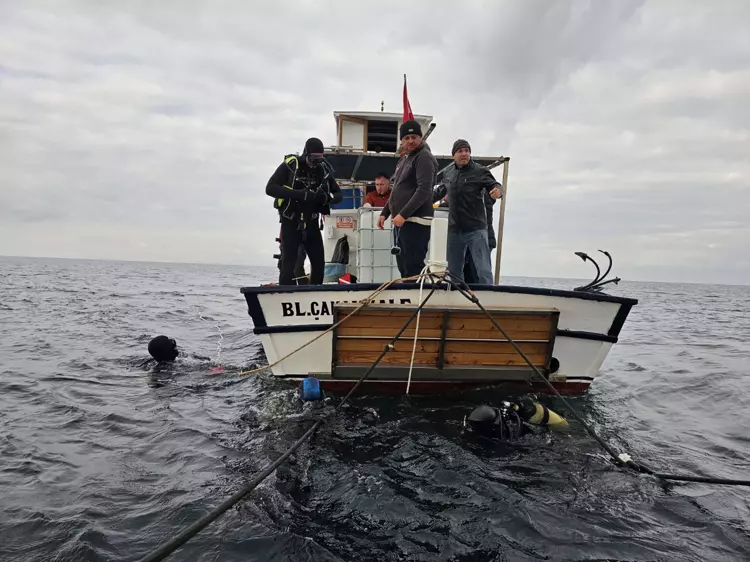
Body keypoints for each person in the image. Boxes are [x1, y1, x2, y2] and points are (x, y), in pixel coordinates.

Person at [266, 137, 342, 285]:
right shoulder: (291, 166)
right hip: (291, 222)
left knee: (319, 264)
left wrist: (327, 198)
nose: (315, 163)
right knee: (288, 264)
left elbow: (338, 194)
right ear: (305, 154)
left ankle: (315, 295)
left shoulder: (323, 169)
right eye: (313, 159)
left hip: (312, 223)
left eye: (319, 159)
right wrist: (299, 194)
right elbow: (270, 188)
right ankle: (283, 296)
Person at [432, 139, 502, 284]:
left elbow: (495, 184)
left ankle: (489, 299)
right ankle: (457, 302)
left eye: (467, 151)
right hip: (455, 230)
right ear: (453, 155)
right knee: (454, 272)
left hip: (476, 229)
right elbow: (438, 192)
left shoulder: (480, 171)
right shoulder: (448, 173)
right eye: (460, 151)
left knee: (483, 270)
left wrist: (498, 191)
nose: (464, 154)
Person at [377, 120, 438, 278]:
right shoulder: (404, 159)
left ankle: (417, 300)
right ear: (401, 141)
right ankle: (408, 298)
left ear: (421, 138)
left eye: (414, 136)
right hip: (403, 222)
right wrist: (385, 212)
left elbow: (424, 190)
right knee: (404, 267)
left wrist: (403, 214)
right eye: (406, 138)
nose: (410, 140)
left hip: (415, 222)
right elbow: (397, 189)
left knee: (413, 268)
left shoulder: (424, 157)